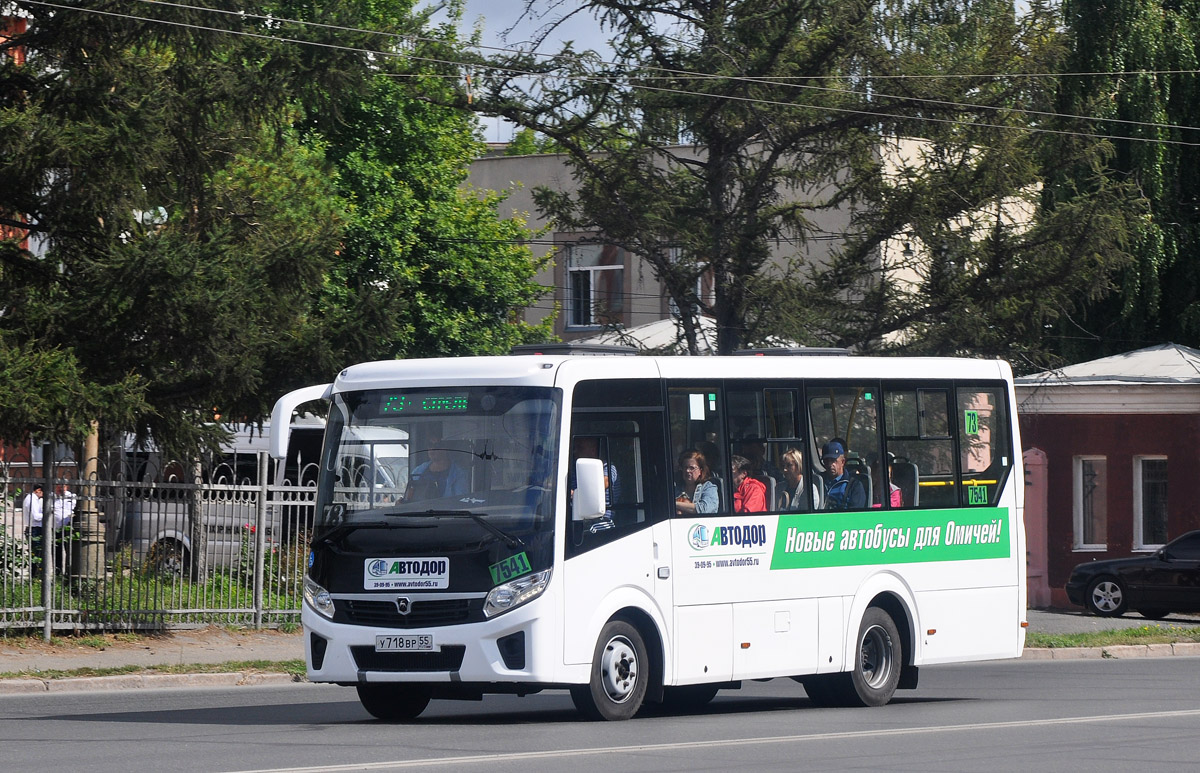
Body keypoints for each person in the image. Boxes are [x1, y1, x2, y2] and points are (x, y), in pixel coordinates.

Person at [821, 440, 867, 511]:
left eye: (833, 460)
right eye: (826, 461)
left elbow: (856, 515)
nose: (830, 464)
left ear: (842, 462)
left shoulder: (854, 485)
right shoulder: (818, 481)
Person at [675, 450, 719, 515]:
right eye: (685, 467)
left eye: (691, 468)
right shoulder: (676, 489)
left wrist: (675, 504)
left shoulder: (709, 487)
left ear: (700, 471)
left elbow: (704, 509)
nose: (687, 471)